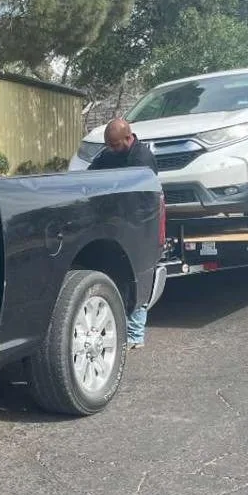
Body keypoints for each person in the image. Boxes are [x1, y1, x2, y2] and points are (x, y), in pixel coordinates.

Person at [86, 117, 161, 349]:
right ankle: (121, 329)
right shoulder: (109, 154)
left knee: (135, 274)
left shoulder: (142, 158)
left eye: (116, 145)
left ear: (129, 138)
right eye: (109, 145)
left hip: (142, 220)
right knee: (118, 275)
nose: (112, 150)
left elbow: (139, 196)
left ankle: (136, 334)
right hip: (117, 222)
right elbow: (90, 175)